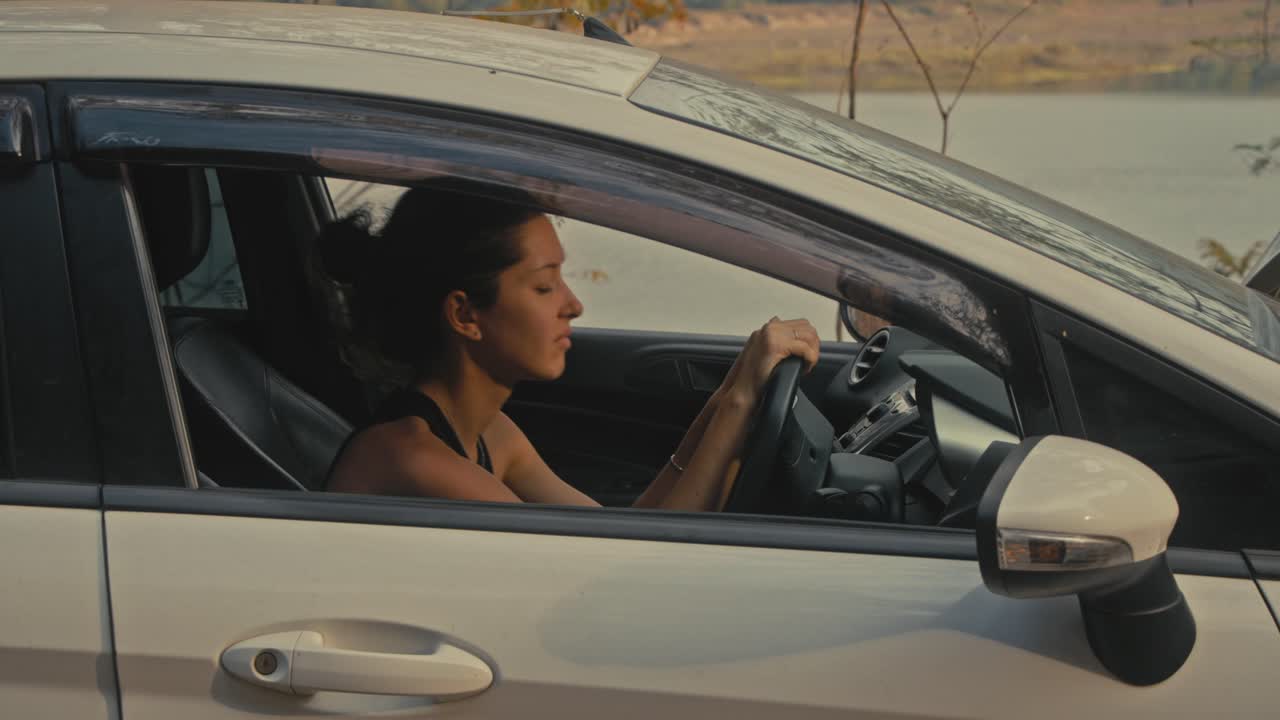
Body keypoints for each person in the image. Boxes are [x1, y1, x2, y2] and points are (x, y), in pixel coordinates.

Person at [322, 179, 820, 511]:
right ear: (465, 314)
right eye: (544, 287)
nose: (573, 305)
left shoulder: (488, 433)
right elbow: (625, 576)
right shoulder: (414, 461)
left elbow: (619, 536)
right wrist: (738, 404)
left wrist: (733, 389)